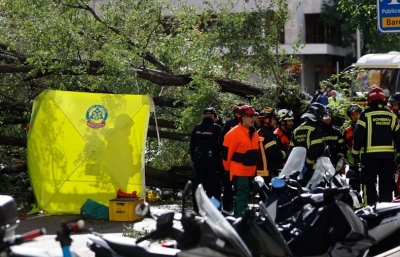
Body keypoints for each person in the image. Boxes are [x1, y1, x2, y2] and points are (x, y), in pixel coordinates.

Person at [352, 87, 400, 205]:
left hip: (369, 158)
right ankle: (386, 214)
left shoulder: (365, 115)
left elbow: (359, 135)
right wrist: (398, 154)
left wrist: (355, 152)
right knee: (386, 187)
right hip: (388, 159)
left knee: (369, 186)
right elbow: (399, 137)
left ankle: (371, 212)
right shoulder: (391, 116)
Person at [221, 105, 260, 217]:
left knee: (243, 197)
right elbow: (225, 156)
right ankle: (243, 223)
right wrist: (229, 171)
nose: (253, 119)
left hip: (250, 172)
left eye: (254, 116)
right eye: (250, 116)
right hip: (239, 172)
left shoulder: (254, 133)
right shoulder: (233, 134)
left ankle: (237, 221)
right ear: (242, 118)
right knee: (242, 197)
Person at [189, 107, 222, 211]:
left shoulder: (197, 128)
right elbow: (221, 145)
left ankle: (196, 207)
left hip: (199, 160)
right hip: (213, 161)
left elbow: (192, 145)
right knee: (213, 186)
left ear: (203, 116)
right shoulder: (217, 128)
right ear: (213, 116)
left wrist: (193, 159)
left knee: (198, 185)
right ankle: (213, 208)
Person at [290, 102, 326, 185]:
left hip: (296, 171)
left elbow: (291, 151)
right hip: (314, 171)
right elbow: (313, 152)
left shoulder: (297, 130)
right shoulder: (316, 130)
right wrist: (307, 166)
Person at [219, 104, 244, 213]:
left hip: (241, 162)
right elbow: (222, 141)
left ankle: (234, 208)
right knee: (230, 186)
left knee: (237, 187)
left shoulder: (247, 125)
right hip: (232, 161)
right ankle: (228, 208)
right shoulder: (230, 124)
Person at [256, 107, 287, 188]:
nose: (275, 122)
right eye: (273, 119)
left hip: (259, 172)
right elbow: (273, 154)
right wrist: (285, 154)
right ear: (266, 120)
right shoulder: (268, 134)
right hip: (268, 173)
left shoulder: (259, 132)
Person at [343, 104, 363, 192]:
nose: (355, 116)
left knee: (368, 184)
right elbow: (345, 146)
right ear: (350, 116)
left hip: (365, 161)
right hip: (353, 164)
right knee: (354, 186)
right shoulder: (347, 131)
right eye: (353, 115)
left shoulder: (365, 128)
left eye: (357, 114)